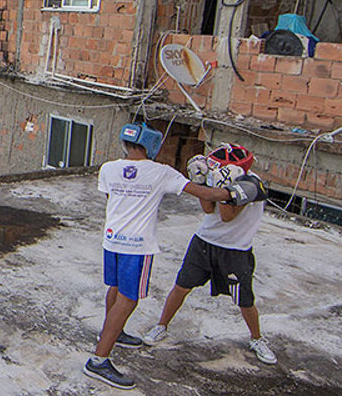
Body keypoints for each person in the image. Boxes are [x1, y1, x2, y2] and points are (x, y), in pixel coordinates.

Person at [85, 123, 252, 390]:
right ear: (152, 145)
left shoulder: (108, 168)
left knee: (114, 289)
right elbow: (206, 195)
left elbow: (110, 196)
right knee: (128, 301)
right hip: (137, 246)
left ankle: (115, 334)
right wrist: (238, 191)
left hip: (112, 239)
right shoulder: (161, 173)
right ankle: (99, 359)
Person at [141, 144, 277, 365]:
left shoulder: (252, 185)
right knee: (181, 286)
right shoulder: (219, 175)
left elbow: (227, 216)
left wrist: (224, 189)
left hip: (236, 250)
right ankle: (161, 326)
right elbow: (207, 208)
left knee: (244, 300)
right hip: (204, 242)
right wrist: (200, 181)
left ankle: (257, 338)